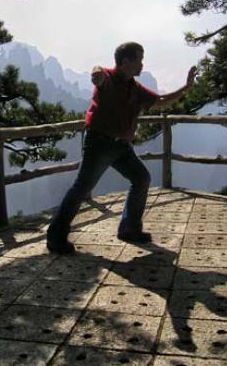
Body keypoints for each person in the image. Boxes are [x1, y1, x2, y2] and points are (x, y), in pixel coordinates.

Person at [46, 42, 197, 254]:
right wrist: (96, 73)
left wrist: (186, 88)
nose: (142, 65)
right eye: (139, 60)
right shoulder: (107, 78)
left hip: (121, 147)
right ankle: (55, 237)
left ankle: (129, 228)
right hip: (99, 143)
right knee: (81, 188)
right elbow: (99, 74)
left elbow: (161, 101)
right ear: (126, 62)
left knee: (141, 178)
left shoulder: (135, 87)